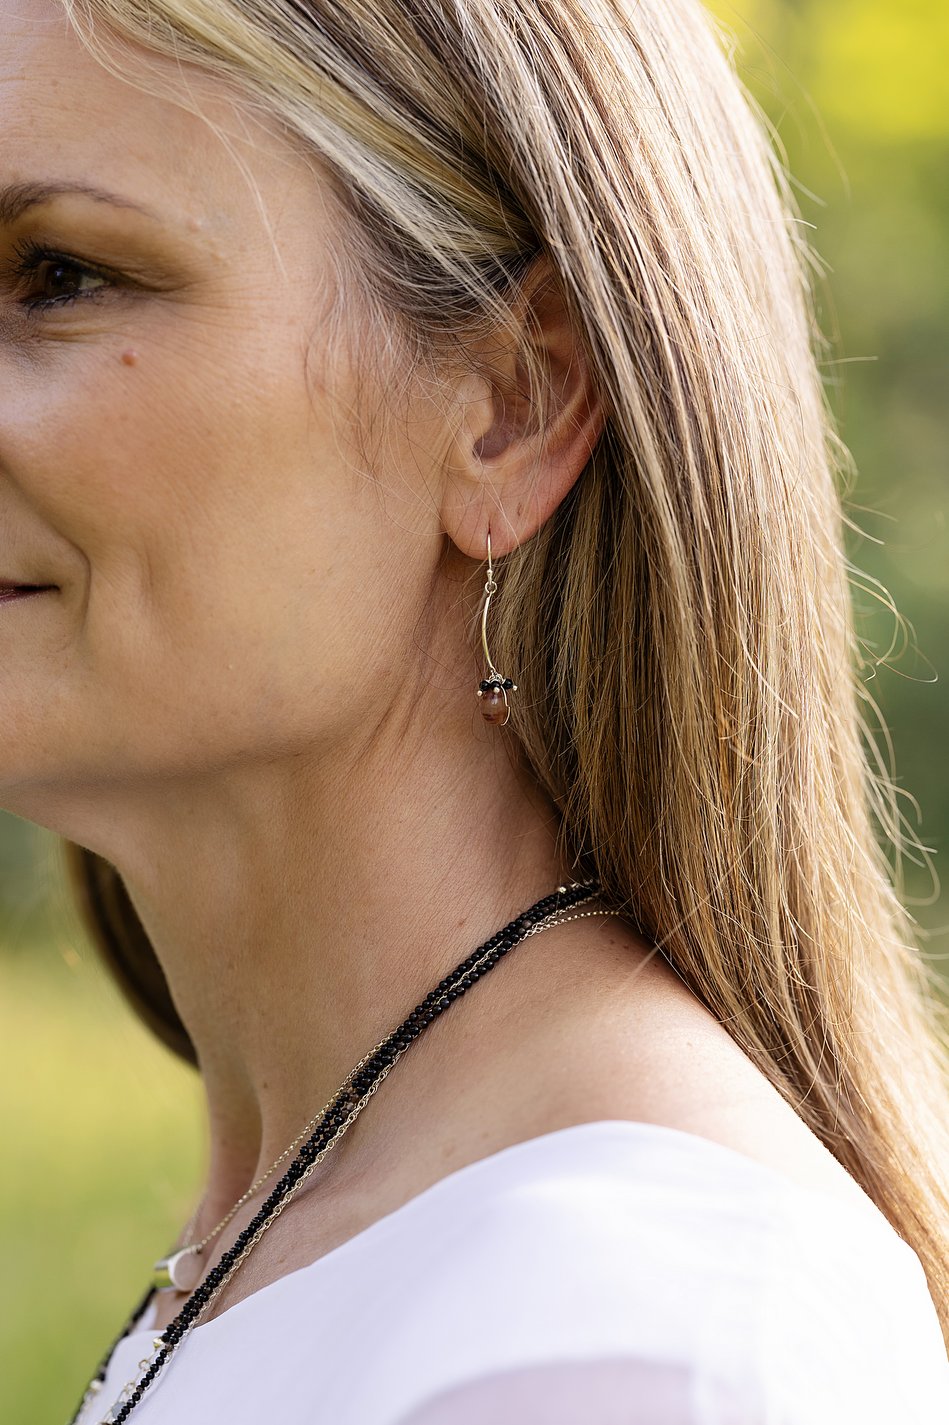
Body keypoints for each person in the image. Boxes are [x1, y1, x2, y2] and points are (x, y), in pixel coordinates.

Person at [2, 0, 947, 1420]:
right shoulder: (336, 1233)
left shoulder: (618, 1335)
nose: (34, 305)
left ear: (511, 400)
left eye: (59, 274)